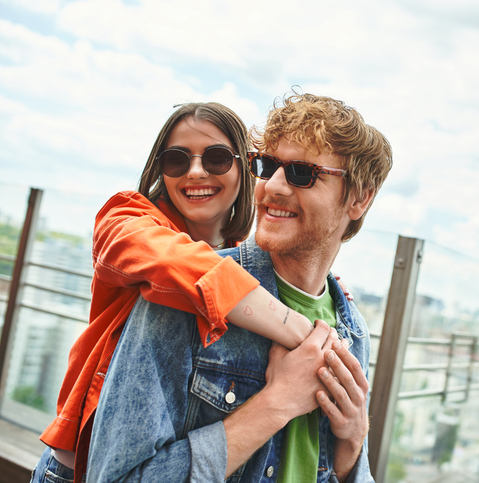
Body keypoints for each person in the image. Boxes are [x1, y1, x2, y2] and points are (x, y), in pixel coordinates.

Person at [85, 92, 392, 482]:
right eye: (267, 167)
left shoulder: (353, 332)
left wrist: (351, 449)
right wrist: (276, 404)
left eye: (302, 172)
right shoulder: (188, 293)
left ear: (360, 199)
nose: (273, 187)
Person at [32, 102, 320, 483]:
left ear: (245, 167)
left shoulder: (245, 257)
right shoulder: (127, 219)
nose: (195, 171)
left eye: (217, 158)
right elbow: (174, 261)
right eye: (176, 160)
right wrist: (300, 331)